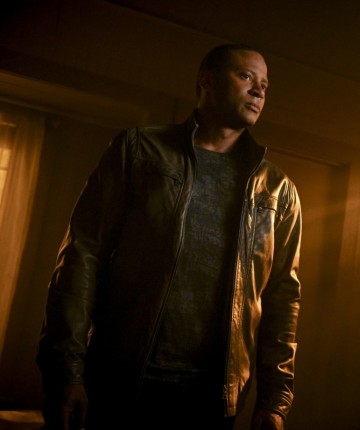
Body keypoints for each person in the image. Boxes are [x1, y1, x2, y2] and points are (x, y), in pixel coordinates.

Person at [36, 43, 302, 430]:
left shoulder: (278, 190)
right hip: (119, 382)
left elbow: (283, 297)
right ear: (207, 80)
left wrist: (275, 401)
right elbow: (82, 257)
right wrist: (67, 372)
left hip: (211, 400)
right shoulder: (139, 151)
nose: (259, 90)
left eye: (264, 84)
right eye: (246, 76)